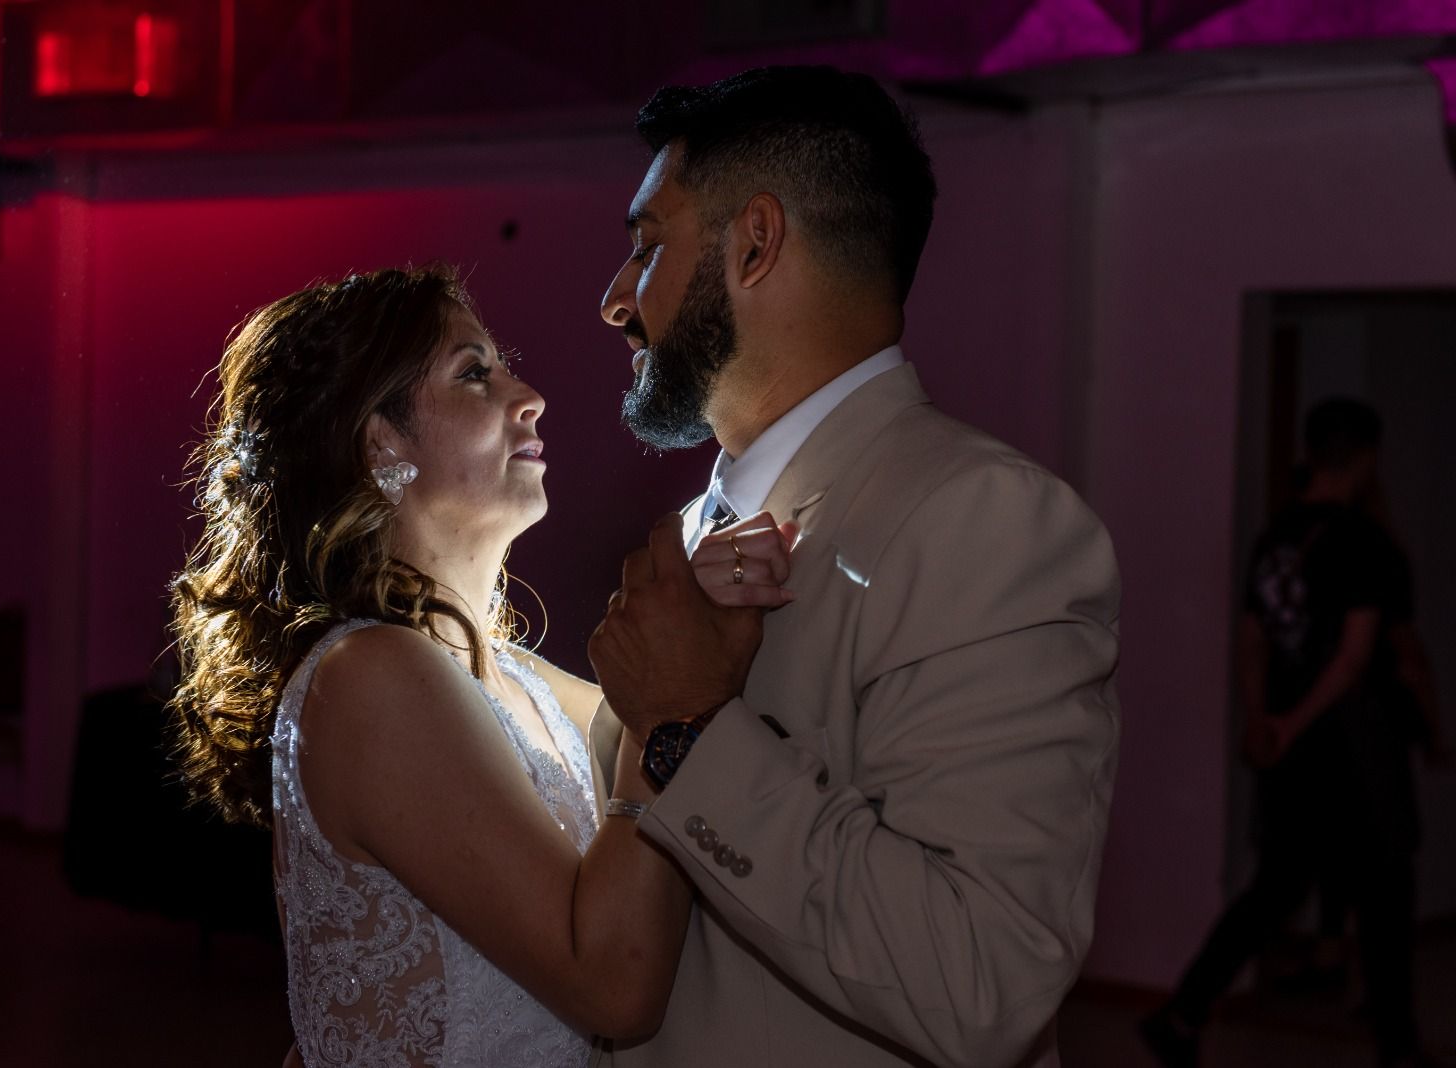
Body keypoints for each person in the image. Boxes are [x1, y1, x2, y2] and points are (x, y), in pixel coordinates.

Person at [584, 66, 1123, 1067]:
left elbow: (982, 981)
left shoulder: (982, 521)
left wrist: (690, 731)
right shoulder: (689, 530)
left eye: (648, 247)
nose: (616, 299)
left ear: (754, 242)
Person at [168, 266, 794, 1068]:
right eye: (475, 373)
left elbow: (655, 747)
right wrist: (666, 690)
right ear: (381, 443)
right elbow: (613, 984)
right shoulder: (368, 676)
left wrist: (692, 621)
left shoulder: (507, 677)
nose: (528, 394)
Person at [1141, 397, 1444, 1068]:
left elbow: (1253, 637)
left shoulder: (1277, 537)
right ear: (1366, 459)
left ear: (1311, 452)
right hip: (1357, 751)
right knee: (1387, 893)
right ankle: (1398, 1047)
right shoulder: (1367, 545)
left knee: (1275, 888)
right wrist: (1289, 720)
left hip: (1295, 754)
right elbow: (1356, 657)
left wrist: (1266, 719)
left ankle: (1183, 1013)